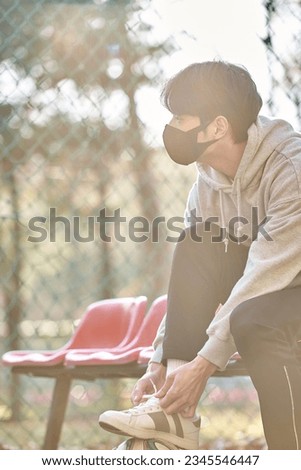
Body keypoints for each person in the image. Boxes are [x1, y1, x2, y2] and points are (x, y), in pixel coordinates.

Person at [99, 60, 301, 450]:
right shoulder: (207, 180)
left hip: (285, 283)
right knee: (198, 241)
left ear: (219, 127)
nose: (171, 128)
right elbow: (192, 280)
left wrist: (204, 365)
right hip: (273, 289)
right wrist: (162, 363)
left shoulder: (290, 168)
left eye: (181, 117)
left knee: (254, 320)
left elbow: (265, 274)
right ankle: (175, 413)